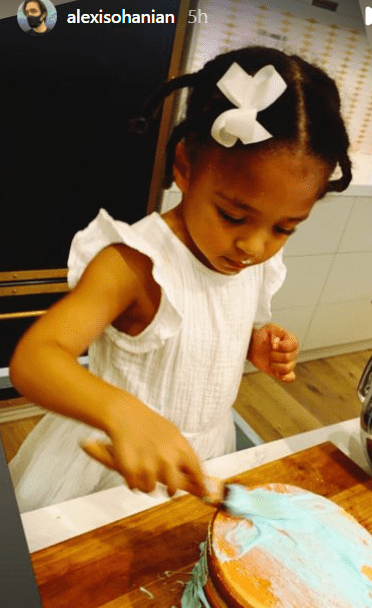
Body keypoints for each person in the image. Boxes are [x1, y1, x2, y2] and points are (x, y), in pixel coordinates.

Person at [9, 46, 352, 511]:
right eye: (233, 215)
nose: (254, 247)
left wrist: (249, 344)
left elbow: (203, 327)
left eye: (284, 228)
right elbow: (35, 359)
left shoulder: (248, 262)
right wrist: (122, 413)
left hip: (199, 458)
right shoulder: (134, 264)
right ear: (186, 166)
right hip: (108, 466)